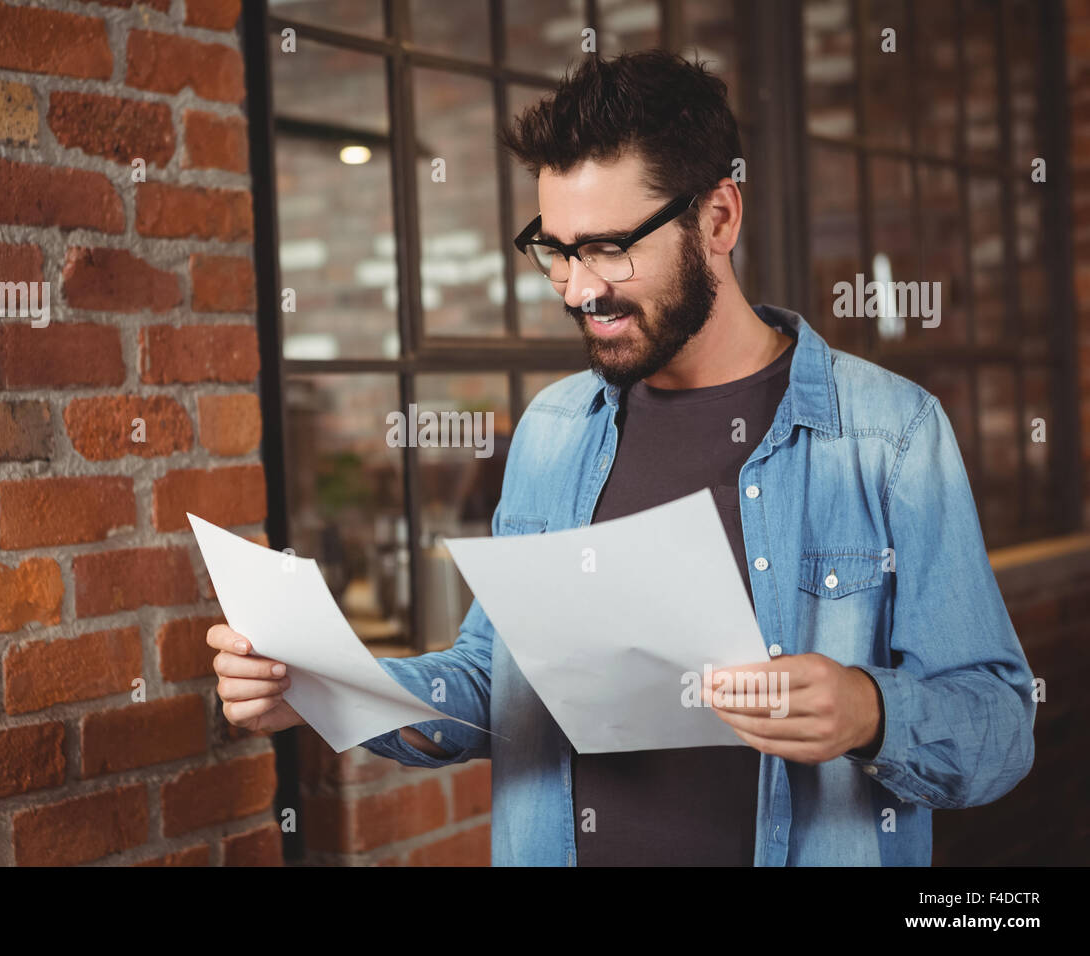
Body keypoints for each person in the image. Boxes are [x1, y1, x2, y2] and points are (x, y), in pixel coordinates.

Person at [207, 49, 1036, 866]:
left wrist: (871, 713)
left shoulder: (889, 435)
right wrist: (328, 688)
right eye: (558, 250)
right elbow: (498, 683)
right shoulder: (553, 429)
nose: (577, 289)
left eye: (609, 247)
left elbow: (1000, 725)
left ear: (718, 218)